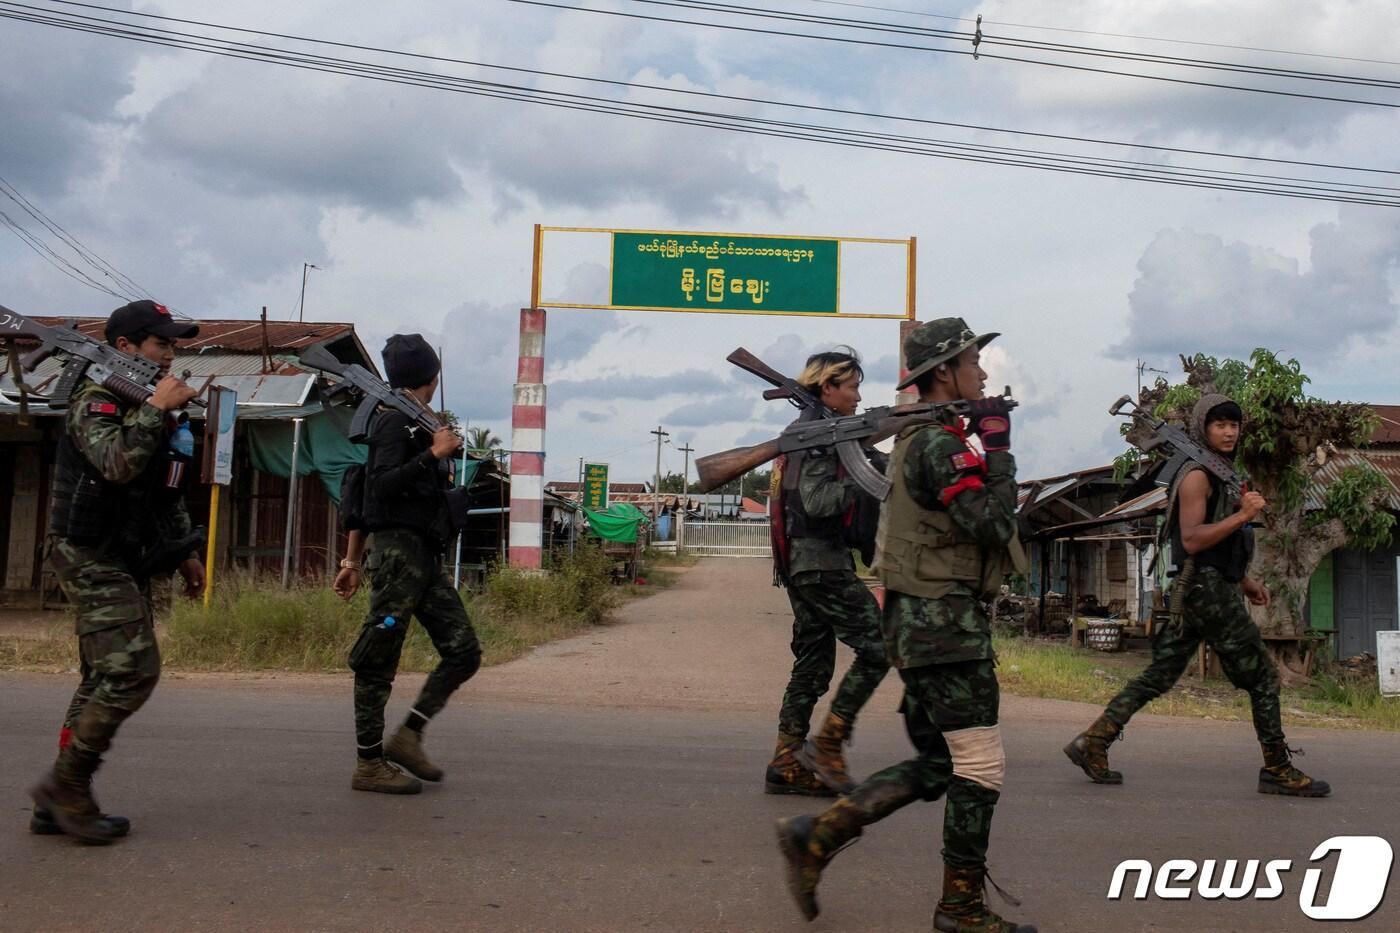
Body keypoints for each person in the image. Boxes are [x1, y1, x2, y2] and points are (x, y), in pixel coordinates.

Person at [776, 318, 1035, 933]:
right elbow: (996, 525)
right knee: (980, 766)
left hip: (923, 628)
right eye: (974, 360)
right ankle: (961, 907)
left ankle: (819, 834)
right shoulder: (941, 446)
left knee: (943, 763)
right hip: (945, 629)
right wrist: (998, 449)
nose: (983, 371)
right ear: (944, 372)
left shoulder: (931, 440)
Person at [1064, 394, 1329, 797]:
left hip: (1201, 588)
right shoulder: (1197, 477)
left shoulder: (1220, 474)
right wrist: (1244, 515)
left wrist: (1245, 582)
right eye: (1219, 424)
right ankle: (1277, 768)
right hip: (1206, 592)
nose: (1228, 432)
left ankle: (1094, 741)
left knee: (1159, 675)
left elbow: (1216, 546)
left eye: (1234, 425)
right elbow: (1191, 539)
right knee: (1263, 678)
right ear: (1203, 428)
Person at [30, 299, 204, 844]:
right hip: (86, 550)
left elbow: (163, 486)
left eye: (174, 344)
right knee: (133, 670)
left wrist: (185, 551)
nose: (171, 355)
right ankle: (66, 786)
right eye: (160, 344)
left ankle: (57, 801)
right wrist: (155, 409)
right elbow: (116, 464)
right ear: (123, 348)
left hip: (124, 551)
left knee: (100, 676)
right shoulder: (96, 399)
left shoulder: (151, 405)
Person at [337, 334, 482, 795]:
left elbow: (366, 493)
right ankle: (368, 763)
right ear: (433, 378)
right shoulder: (393, 423)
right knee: (377, 659)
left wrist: (351, 559)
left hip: (422, 557)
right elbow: (376, 488)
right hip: (398, 556)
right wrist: (433, 456)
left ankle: (409, 736)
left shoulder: (418, 425)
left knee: (463, 651)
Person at [766, 348, 890, 796]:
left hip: (802, 565)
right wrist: (864, 477)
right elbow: (817, 503)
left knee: (813, 665)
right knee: (881, 644)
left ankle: (785, 762)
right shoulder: (817, 436)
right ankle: (828, 744)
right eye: (852, 387)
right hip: (819, 564)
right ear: (827, 388)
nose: (858, 396)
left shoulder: (818, 432)